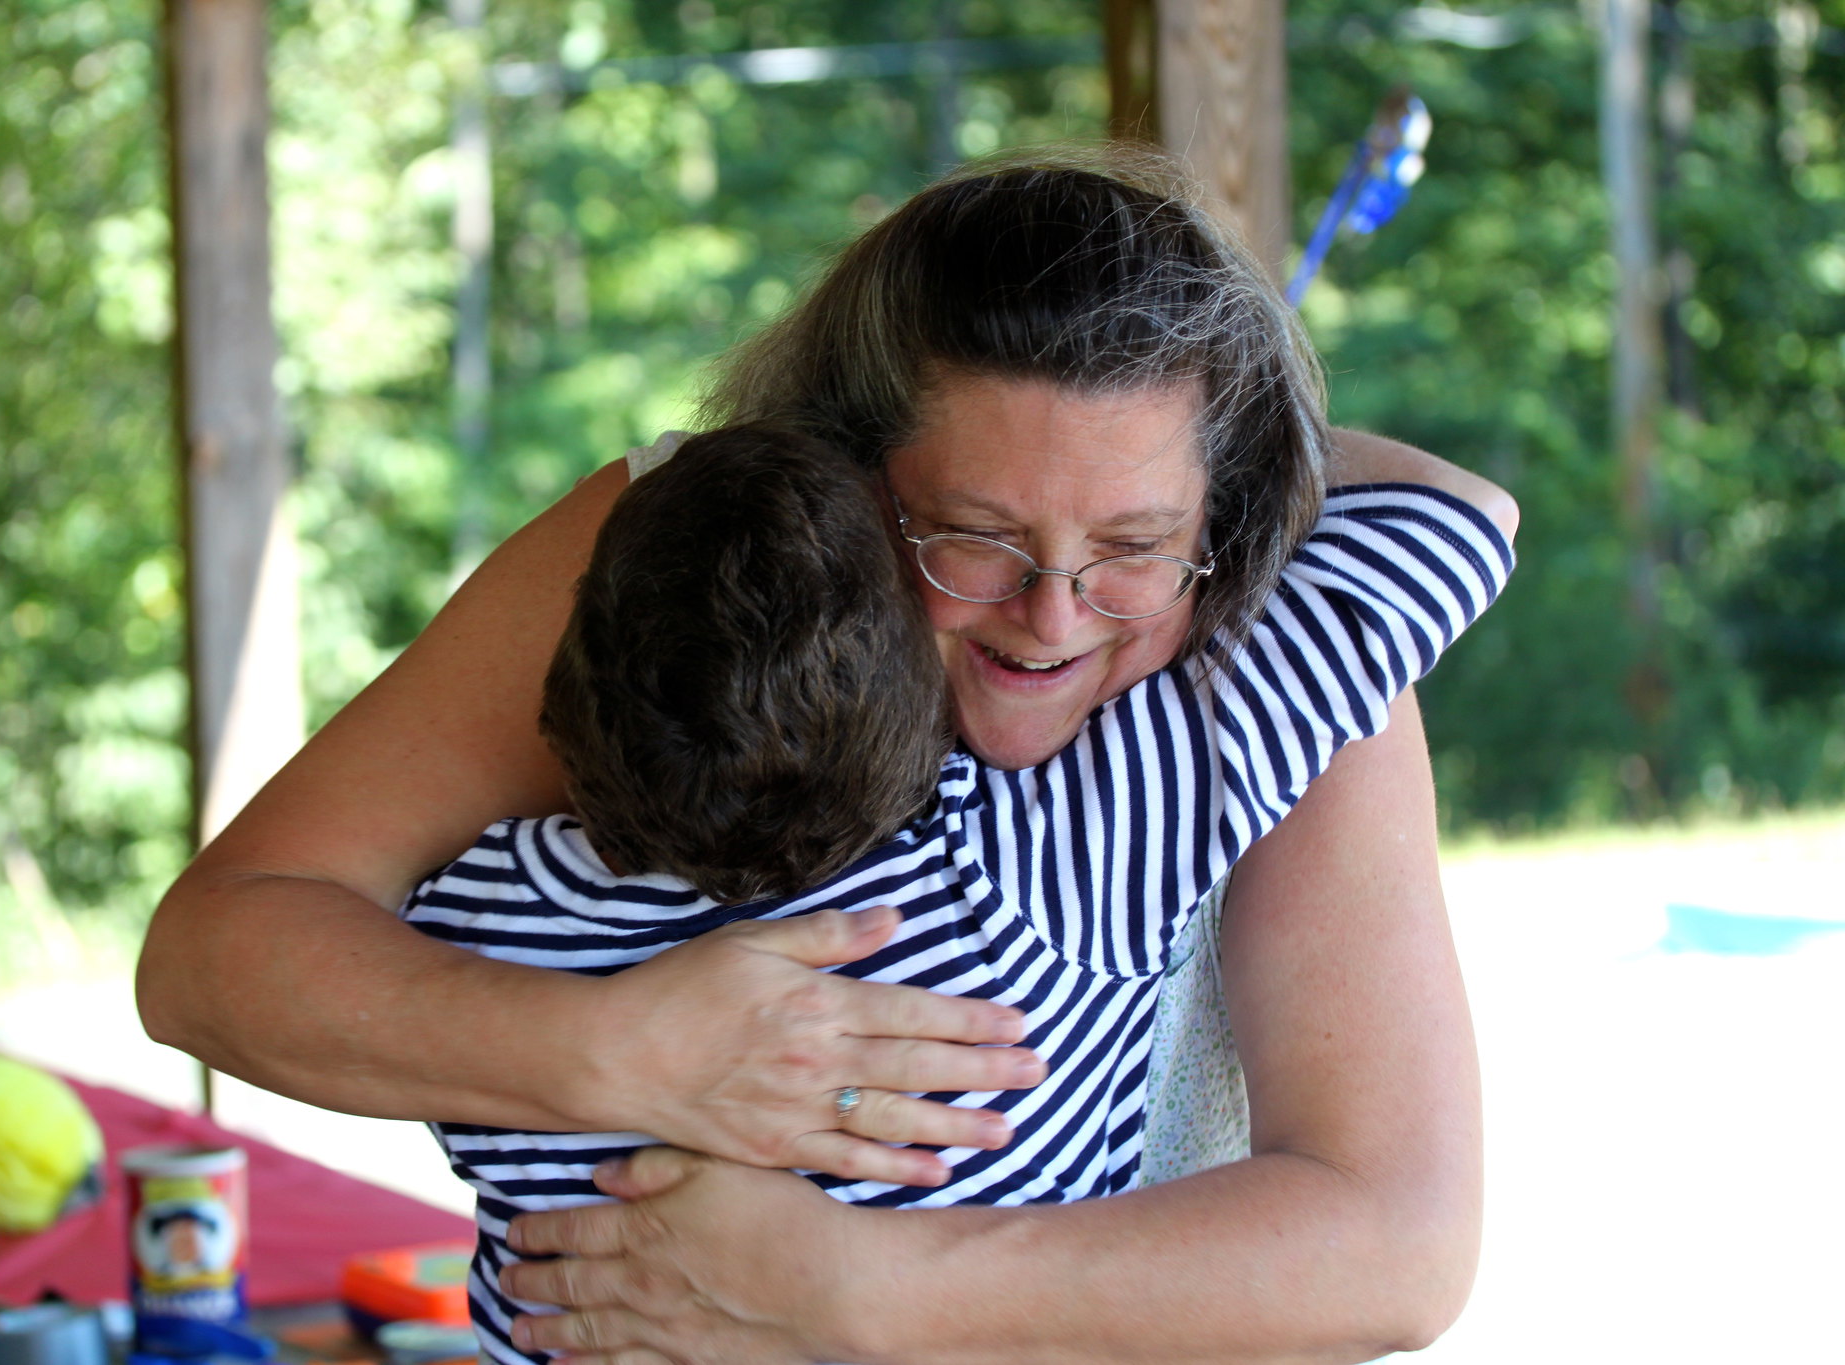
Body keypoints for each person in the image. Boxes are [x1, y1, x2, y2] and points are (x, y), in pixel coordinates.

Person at [139, 144, 1518, 1362]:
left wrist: (862, 1291)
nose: (1052, 615)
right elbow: (220, 952)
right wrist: (616, 1050)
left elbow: (1395, 1242)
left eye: (1131, 545)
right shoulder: (683, 573)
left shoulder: (1259, 634)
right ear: (842, 478)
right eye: (975, 533)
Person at [408, 415, 1509, 1365]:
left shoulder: (463, 915)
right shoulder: (1033, 873)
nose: (1039, 610)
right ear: (916, 697)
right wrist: (1176, 462)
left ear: (557, 681)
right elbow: (1453, 517)